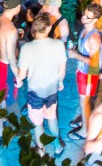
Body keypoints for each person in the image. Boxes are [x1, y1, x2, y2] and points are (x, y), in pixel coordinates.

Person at [16, 16, 68, 156]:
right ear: (49, 28)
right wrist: (61, 82)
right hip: (51, 91)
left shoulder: (26, 48)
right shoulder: (58, 45)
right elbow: (61, 71)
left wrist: (18, 81)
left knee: (37, 123)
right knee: (52, 117)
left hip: (34, 93)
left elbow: (21, 75)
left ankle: (41, 150)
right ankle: (57, 146)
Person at [0, 0, 21, 145]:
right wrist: (18, 77)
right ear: (15, 9)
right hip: (5, 66)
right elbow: (11, 59)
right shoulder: (11, 30)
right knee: (3, 100)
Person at [67, 3, 102, 140]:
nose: (83, 18)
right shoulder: (85, 29)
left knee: (85, 101)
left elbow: (94, 62)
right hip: (82, 71)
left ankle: (85, 131)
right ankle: (84, 120)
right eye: (84, 14)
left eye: (87, 17)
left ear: (95, 20)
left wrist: (75, 55)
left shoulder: (94, 38)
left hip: (88, 74)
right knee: (84, 101)